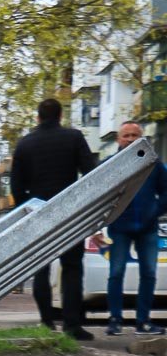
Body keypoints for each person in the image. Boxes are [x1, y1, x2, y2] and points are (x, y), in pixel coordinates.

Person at [9, 98, 98, 340]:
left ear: (38, 117)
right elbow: (92, 174)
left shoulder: (25, 145)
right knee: (72, 268)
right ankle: (72, 325)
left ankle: (46, 322)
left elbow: (16, 185)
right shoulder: (74, 138)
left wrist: (26, 206)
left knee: (41, 268)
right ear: (60, 116)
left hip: (39, 212)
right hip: (69, 212)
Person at [103, 121, 167, 336]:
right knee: (116, 272)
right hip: (120, 227)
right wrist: (109, 216)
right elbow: (99, 196)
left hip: (147, 227)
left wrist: (154, 212)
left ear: (142, 138)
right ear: (118, 139)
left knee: (149, 273)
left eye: (134, 135)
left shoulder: (153, 164)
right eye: (126, 135)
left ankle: (144, 321)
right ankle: (115, 320)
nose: (130, 139)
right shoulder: (109, 165)